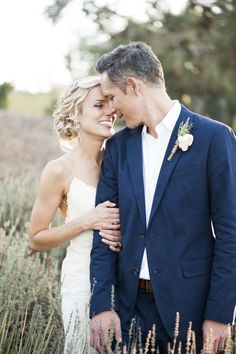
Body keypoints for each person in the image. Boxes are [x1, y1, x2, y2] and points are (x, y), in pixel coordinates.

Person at [89, 42, 236, 353]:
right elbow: (104, 231)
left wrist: (220, 314)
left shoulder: (214, 138)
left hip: (191, 312)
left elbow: (231, 233)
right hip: (128, 310)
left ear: (133, 86)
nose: (112, 109)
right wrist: (102, 304)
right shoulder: (117, 148)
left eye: (113, 98)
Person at [29, 76, 122, 353]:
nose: (110, 111)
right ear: (75, 115)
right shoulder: (59, 170)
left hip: (125, 279)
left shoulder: (119, 161)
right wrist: (87, 221)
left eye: (111, 103)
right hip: (82, 280)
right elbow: (36, 238)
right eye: (98, 105)